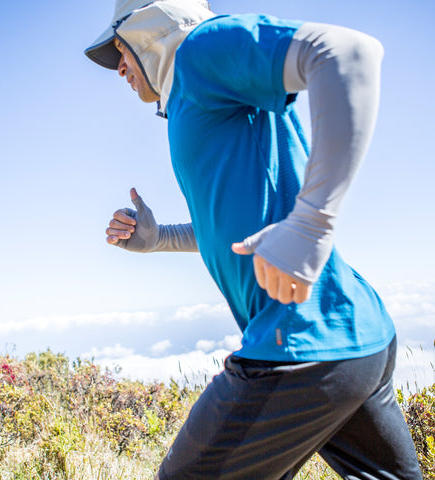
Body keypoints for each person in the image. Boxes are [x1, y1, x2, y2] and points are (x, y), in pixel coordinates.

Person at [85, 1, 422, 478]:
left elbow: (347, 52)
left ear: (148, 28)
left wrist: (311, 224)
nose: (118, 67)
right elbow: (236, 230)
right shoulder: (188, 95)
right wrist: (159, 239)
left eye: (120, 48)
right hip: (356, 337)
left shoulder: (200, 49)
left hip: (298, 346)